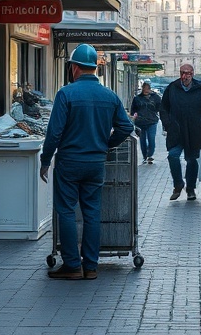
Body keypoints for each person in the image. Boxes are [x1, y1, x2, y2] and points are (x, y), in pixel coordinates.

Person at [40, 44, 134, 280]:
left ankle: (72, 265)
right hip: (95, 162)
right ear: (94, 68)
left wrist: (45, 160)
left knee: (67, 211)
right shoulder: (110, 96)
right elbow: (126, 126)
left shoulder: (66, 94)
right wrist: (107, 144)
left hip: (70, 162)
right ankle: (91, 266)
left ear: (74, 68)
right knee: (93, 212)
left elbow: (54, 133)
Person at [159, 63, 201, 202]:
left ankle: (190, 188)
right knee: (173, 156)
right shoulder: (172, 88)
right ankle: (178, 184)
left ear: (192, 74)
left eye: (188, 73)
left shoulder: (200, 88)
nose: (185, 76)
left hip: (194, 132)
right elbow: (163, 108)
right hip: (176, 131)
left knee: (191, 160)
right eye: (182, 73)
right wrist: (168, 124)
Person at [130, 81, 161, 164]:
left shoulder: (156, 97)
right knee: (142, 140)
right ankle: (144, 156)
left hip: (152, 121)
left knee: (151, 139)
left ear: (150, 89)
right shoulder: (137, 98)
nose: (145, 90)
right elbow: (133, 110)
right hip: (140, 122)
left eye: (147, 88)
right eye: (144, 88)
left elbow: (160, 108)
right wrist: (134, 116)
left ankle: (150, 155)